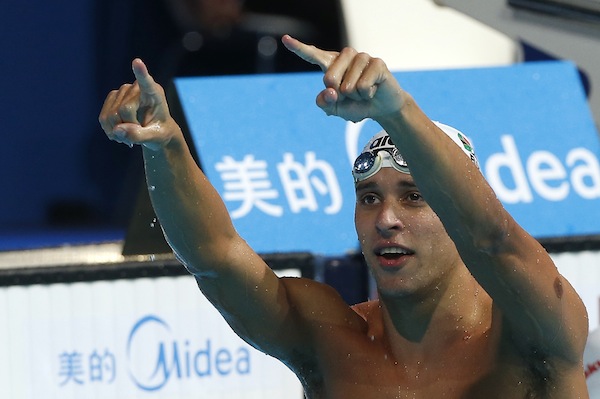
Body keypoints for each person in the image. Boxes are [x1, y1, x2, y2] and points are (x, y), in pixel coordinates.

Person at [99, 35, 590, 398]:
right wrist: (167, 147)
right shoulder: (331, 340)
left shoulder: (530, 331)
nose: (388, 219)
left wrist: (395, 111)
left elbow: (493, 240)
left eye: (415, 196)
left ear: (457, 210)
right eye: (370, 197)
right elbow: (217, 259)